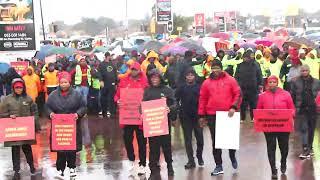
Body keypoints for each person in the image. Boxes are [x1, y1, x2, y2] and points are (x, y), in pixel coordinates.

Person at [198, 59, 241, 176]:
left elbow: (238, 94)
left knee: (230, 140)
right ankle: (218, 165)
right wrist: (201, 115)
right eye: (213, 68)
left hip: (228, 114)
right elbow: (202, 98)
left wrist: (233, 107)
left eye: (217, 68)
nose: (215, 70)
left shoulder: (231, 80)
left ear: (221, 68)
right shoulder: (206, 83)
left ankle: (232, 156)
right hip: (212, 114)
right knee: (216, 141)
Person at [46, 72, 86, 178]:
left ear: (69, 82)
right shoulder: (53, 95)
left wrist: (78, 114)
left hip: (72, 126)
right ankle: (60, 169)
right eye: (61, 82)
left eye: (65, 82)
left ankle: (72, 167)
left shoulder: (77, 94)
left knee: (71, 149)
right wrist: (50, 113)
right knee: (61, 150)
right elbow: (47, 107)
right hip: (59, 128)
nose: (63, 84)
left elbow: (83, 106)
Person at [256, 75, 295, 179]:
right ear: (267, 84)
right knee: (271, 147)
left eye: (274, 82)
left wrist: (291, 115)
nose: (272, 84)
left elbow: (292, 108)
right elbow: (259, 109)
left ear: (277, 83)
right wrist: (258, 119)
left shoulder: (286, 94)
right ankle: (273, 169)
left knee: (284, 147)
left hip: (283, 126)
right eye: (270, 82)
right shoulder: (262, 96)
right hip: (269, 127)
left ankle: (283, 162)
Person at [114, 62, 148, 176]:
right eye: (132, 69)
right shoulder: (123, 81)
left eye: (136, 69)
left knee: (142, 142)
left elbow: (149, 96)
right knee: (127, 140)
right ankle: (132, 160)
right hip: (127, 118)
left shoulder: (145, 82)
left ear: (139, 70)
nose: (134, 71)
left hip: (140, 118)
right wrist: (117, 101)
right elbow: (117, 95)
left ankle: (142, 164)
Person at [0, 78, 39, 179]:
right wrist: (9, 116)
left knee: (27, 149)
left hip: (26, 130)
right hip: (14, 131)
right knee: (15, 150)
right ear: (13, 88)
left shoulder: (28, 99)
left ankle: (32, 167)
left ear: (23, 88)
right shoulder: (7, 100)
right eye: (17, 87)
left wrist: (36, 126)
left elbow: (34, 112)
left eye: (20, 87)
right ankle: (16, 170)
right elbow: (2, 114)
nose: (19, 89)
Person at [143, 69, 177, 180]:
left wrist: (169, 108)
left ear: (160, 78)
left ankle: (170, 166)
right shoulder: (147, 91)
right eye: (152, 77)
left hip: (164, 124)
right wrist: (142, 112)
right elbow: (143, 105)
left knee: (166, 147)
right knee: (153, 148)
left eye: (156, 77)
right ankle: (153, 170)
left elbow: (175, 104)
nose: (154, 79)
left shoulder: (167, 90)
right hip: (152, 125)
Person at [175, 68, 204, 169]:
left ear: (194, 76)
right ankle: (191, 161)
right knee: (188, 139)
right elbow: (175, 99)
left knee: (200, 139)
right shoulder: (181, 87)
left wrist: (203, 114)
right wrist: (178, 109)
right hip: (185, 116)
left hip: (198, 116)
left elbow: (203, 100)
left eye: (191, 75)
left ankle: (199, 155)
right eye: (188, 75)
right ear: (185, 77)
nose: (190, 77)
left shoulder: (199, 87)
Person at [291, 65, 320, 159]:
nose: (304, 72)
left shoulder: (316, 82)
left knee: (311, 129)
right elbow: (293, 95)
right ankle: (305, 148)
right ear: (300, 71)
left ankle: (310, 147)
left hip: (313, 109)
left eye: (306, 70)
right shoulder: (295, 82)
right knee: (303, 129)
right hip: (301, 109)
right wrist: (294, 108)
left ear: (309, 71)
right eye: (302, 70)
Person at [235, 50, 262, 122]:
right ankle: (242, 118)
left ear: (250, 58)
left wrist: (260, 84)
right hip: (242, 88)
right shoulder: (239, 65)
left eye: (247, 57)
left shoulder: (255, 65)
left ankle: (253, 117)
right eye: (244, 57)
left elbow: (259, 75)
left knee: (253, 103)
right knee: (242, 104)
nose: (245, 59)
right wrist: (237, 85)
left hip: (253, 87)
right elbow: (236, 76)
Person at [99, 52, 118, 118]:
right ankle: (104, 111)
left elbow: (115, 73)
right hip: (104, 84)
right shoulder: (101, 64)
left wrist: (116, 83)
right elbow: (99, 73)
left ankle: (112, 112)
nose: (111, 57)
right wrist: (101, 80)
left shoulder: (112, 64)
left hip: (112, 84)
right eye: (110, 56)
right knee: (103, 98)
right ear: (107, 56)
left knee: (112, 98)